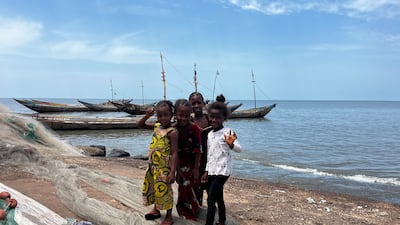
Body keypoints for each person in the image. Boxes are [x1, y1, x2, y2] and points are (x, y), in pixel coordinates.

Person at [137, 100, 178, 225]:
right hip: (152, 167)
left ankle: (169, 216)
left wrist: (172, 172)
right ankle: (156, 209)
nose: (163, 118)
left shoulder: (173, 132)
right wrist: (147, 116)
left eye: (166, 115)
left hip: (164, 168)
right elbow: (139, 125)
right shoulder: (156, 126)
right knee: (154, 189)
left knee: (166, 191)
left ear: (172, 115)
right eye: (160, 115)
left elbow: (175, 152)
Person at [201, 102, 241, 225]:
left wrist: (231, 144)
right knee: (219, 197)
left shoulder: (228, 132)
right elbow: (210, 155)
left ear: (224, 118)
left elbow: (239, 149)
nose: (214, 120)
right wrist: (206, 172)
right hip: (212, 170)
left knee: (210, 199)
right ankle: (222, 221)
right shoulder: (209, 134)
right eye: (212, 117)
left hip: (223, 171)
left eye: (218, 117)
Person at [174, 99, 202, 220]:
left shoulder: (194, 128)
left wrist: (196, 167)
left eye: (186, 115)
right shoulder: (173, 129)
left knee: (189, 186)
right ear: (175, 114)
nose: (183, 118)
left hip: (191, 164)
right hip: (179, 163)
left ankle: (189, 209)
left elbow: (198, 149)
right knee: (182, 186)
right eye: (181, 115)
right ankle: (185, 208)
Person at [188, 92, 212, 206]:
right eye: (193, 103)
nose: (196, 106)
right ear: (189, 105)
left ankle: (211, 205)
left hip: (208, 156)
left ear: (203, 103)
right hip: (194, 157)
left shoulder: (208, 118)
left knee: (209, 182)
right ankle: (198, 205)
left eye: (199, 103)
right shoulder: (188, 120)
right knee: (196, 183)